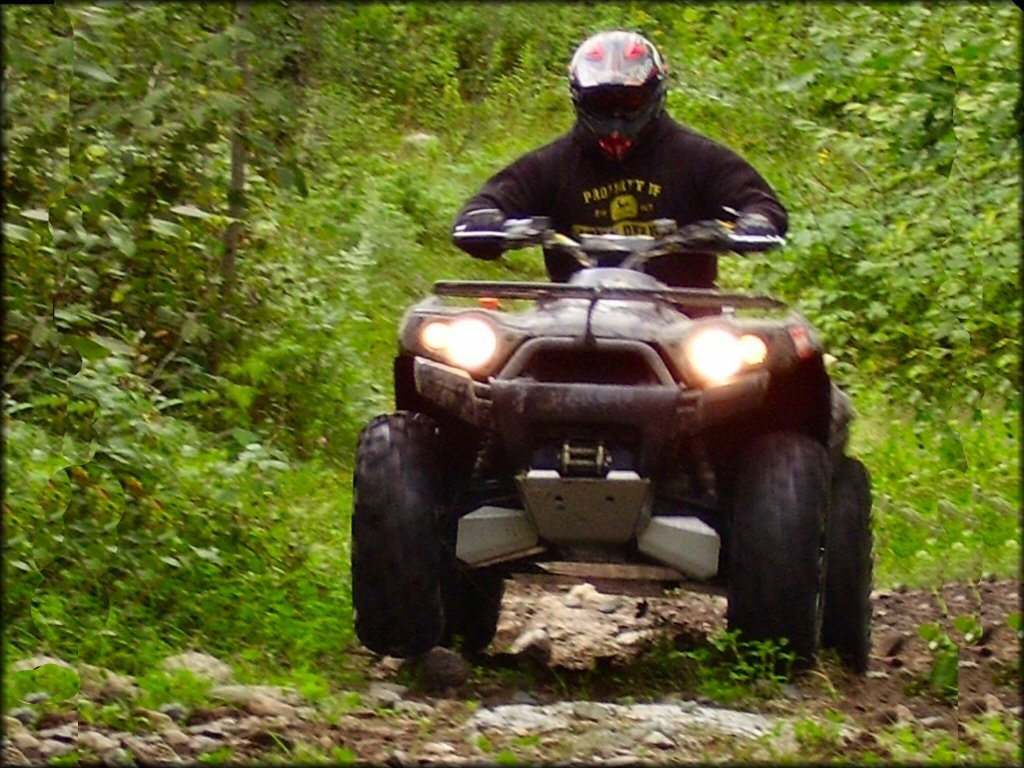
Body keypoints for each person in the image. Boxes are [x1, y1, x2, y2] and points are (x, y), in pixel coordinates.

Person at [451, 30, 787, 289]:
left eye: (630, 101)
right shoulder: (550, 164)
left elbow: (761, 204)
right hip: (573, 321)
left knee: (779, 358)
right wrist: (486, 223)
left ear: (655, 94)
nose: (616, 119)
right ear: (578, 99)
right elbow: (484, 206)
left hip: (687, 321)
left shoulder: (698, 157)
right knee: (454, 354)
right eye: (601, 103)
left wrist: (755, 223)